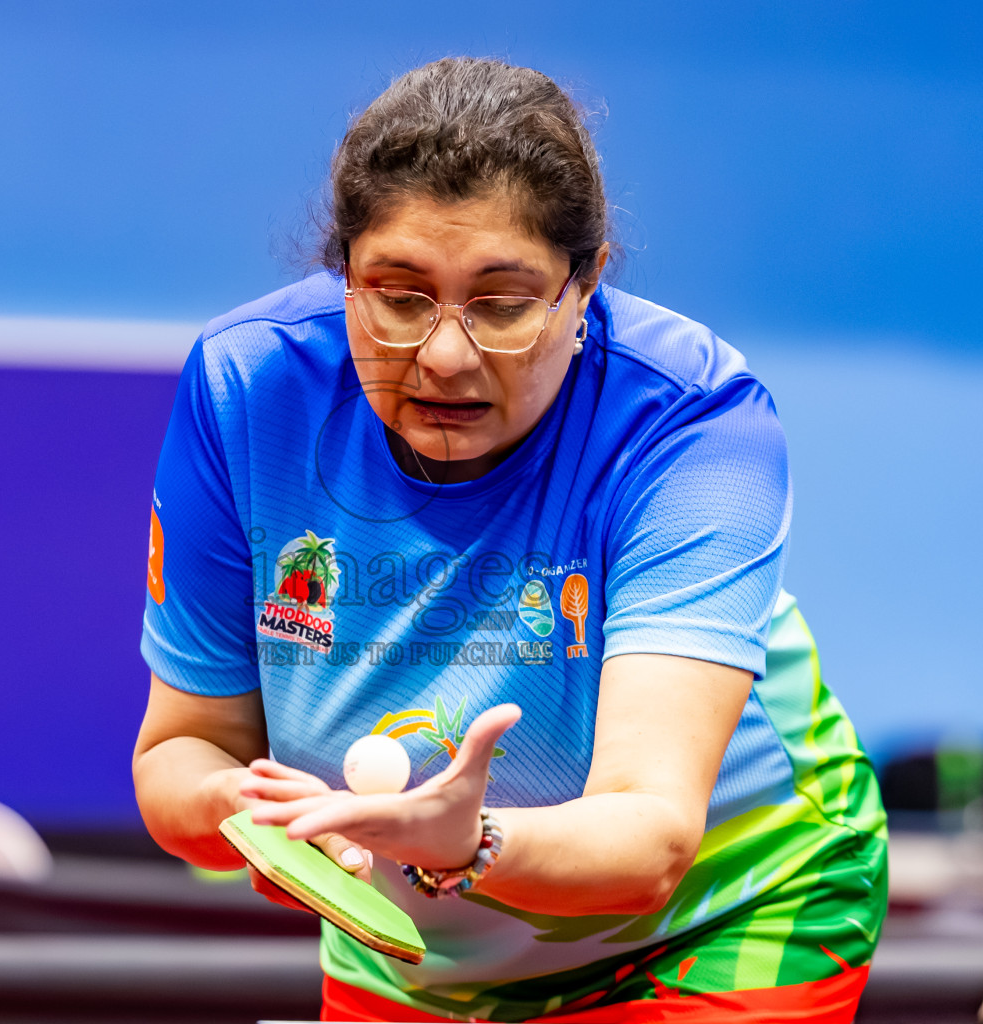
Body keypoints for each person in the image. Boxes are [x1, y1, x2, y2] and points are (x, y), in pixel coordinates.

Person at [133, 57, 886, 1023]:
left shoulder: (695, 424)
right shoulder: (248, 388)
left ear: (585, 286)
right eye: (399, 295)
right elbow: (181, 754)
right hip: (407, 949)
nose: (445, 355)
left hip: (724, 917)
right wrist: (249, 814)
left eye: (503, 303)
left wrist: (467, 845)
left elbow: (650, 839)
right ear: (344, 276)